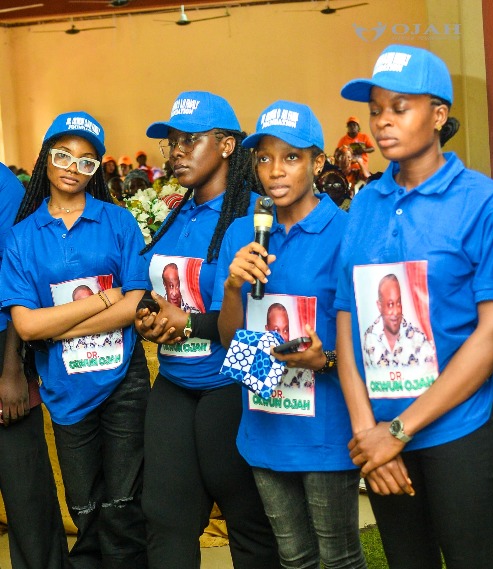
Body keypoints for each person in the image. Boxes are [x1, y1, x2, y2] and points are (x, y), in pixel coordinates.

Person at [335, 44, 493, 569]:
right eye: (376, 110)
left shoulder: (482, 201)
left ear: (439, 115)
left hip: (458, 429)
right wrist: (368, 433)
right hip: (380, 436)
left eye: (400, 108)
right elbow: (347, 318)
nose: (383, 121)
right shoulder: (365, 203)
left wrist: (398, 431)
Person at [213, 100, 367, 569]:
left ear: (318, 164)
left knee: (338, 558)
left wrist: (325, 360)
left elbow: (366, 341)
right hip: (264, 423)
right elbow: (229, 340)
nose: (275, 170)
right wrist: (233, 286)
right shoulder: (242, 232)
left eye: (291, 157)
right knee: (294, 557)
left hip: (326, 429)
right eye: (264, 158)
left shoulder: (346, 232)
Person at [135, 90, 280, 569]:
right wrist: (150, 317)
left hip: (232, 383)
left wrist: (185, 322)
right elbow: (157, 291)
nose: (177, 152)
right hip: (175, 381)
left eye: (190, 140)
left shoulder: (256, 215)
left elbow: (255, 317)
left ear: (226, 145)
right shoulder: (176, 213)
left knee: (247, 517)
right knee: (165, 515)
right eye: (172, 143)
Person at [0, 111, 151, 569]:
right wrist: (104, 299)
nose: (73, 167)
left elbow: (135, 305)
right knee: (84, 505)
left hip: (123, 382)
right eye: (63, 155)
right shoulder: (23, 237)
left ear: (97, 168)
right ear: (46, 158)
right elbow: (26, 327)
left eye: (87, 161)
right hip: (65, 387)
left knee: (124, 504)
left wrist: (55, 324)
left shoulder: (119, 222)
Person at [0, 161, 68, 569]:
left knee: (22, 480)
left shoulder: (4, 186)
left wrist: (12, 370)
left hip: (3, 345)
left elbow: (17, 280)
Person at [363, 273, 436, 368]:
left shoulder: (418, 338)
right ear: (379, 306)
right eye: (390, 305)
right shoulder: (370, 337)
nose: (396, 311)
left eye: (398, 303)